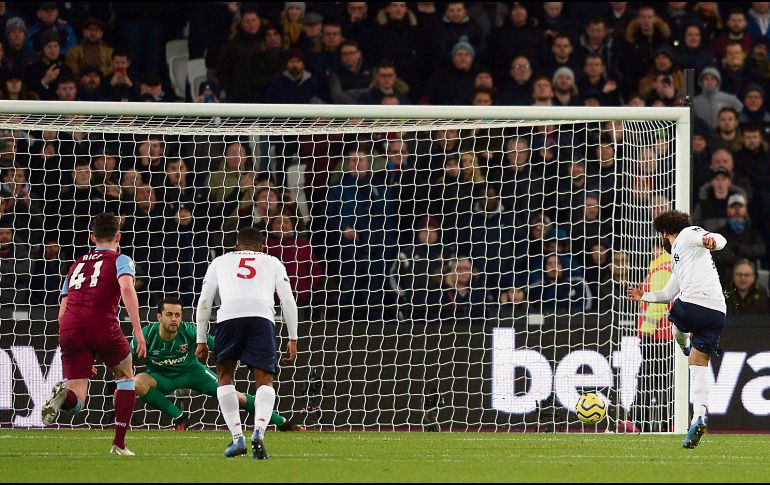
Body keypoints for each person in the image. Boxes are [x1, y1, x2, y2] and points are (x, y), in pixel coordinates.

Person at [41, 212, 146, 456]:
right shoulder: (121, 260)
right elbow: (128, 288)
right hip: (101, 323)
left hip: (70, 327)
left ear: (92, 237)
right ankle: (119, 444)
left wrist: (79, 347)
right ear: (118, 236)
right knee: (126, 376)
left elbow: (61, 311)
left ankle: (62, 396)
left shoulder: (76, 264)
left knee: (76, 402)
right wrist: (138, 331)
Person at [195, 226, 299, 459]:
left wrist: (201, 338)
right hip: (262, 318)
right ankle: (259, 433)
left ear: (236, 246)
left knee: (224, 376)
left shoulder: (220, 261)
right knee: (264, 380)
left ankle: (237, 438)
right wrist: (293, 337)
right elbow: (288, 301)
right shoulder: (272, 261)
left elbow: (204, 302)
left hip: (229, 317)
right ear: (261, 247)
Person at [627, 210, 727, 449]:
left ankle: (684, 346)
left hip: (693, 304)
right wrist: (645, 296)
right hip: (717, 311)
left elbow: (714, 238)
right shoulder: (680, 259)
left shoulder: (686, 234)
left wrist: (711, 240)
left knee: (677, 324)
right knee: (698, 365)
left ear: (664, 233)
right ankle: (698, 416)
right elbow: (667, 293)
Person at [132, 297, 305, 432]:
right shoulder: (146, 335)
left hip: (193, 373)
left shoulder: (189, 330)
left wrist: (248, 357)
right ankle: (179, 417)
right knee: (137, 382)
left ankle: (283, 423)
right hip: (162, 378)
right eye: (169, 315)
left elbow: (219, 346)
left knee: (236, 397)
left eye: (177, 315)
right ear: (159, 317)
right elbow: (126, 359)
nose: (174, 319)